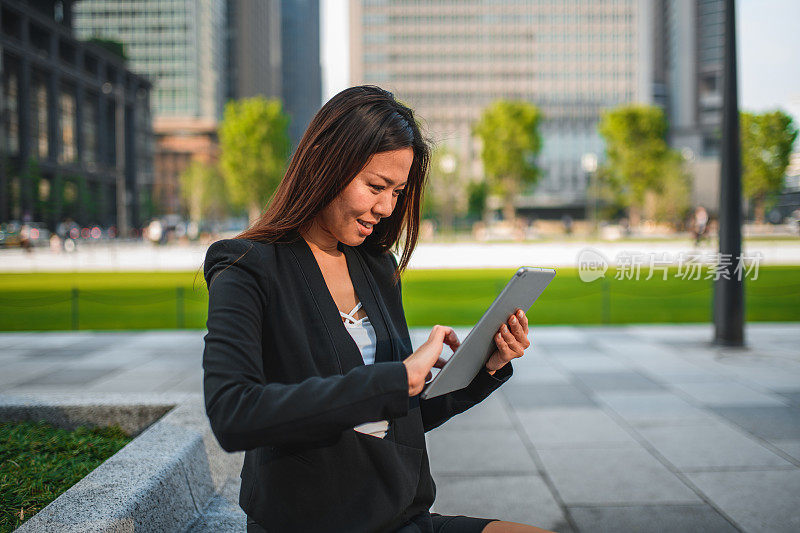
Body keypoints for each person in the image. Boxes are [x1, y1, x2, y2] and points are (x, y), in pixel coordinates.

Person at [202, 86, 552, 533]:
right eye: (376, 187)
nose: (387, 208)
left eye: (398, 190)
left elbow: (397, 418)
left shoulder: (376, 266)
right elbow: (234, 413)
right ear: (327, 165)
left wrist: (484, 367)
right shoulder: (244, 265)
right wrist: (395, 379)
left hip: (402, 518)